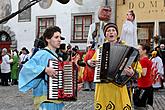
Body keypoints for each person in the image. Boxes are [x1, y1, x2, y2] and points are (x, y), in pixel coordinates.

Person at [88, 23, 139, 109]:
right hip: (103, 87)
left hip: (119, 87)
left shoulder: (127, 48)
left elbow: (137, 67)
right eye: (108, 31)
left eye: (113, 30)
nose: (111, 32)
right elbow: (93, 63)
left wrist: (132, 72)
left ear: (116, 33)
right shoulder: (100, 49)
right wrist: (89, 63)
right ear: (105, 35)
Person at [18, 26, 65, 110]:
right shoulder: (42, 53)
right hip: (45, 101)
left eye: (60, 37)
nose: (59, 40)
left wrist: (70, 87)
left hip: (57, 100)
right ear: (47, 39)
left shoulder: (56, 56)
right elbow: (26, 68)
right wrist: (45, 70)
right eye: (56, 37)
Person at [134, 44, 153, 109]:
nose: (137, 50)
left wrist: (134, 69)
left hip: (143, 85)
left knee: (139, 105)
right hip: (147, 84)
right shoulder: (146, 59)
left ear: (144, 51)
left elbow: (143, 73)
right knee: (144, 104)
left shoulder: (143, 60)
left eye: (139, 49)